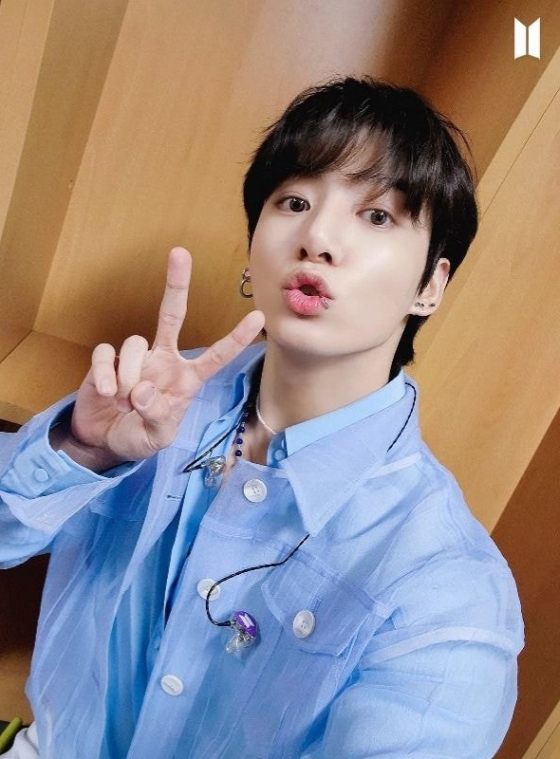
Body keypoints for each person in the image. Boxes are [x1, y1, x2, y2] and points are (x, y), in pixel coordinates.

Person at [0, 77, 523, 758]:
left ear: (430, 284)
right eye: (295, 202)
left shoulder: (447, 586)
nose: (318, 237)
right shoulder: (147, 397)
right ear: (254, 247)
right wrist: (84, 449)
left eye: (377, 216)